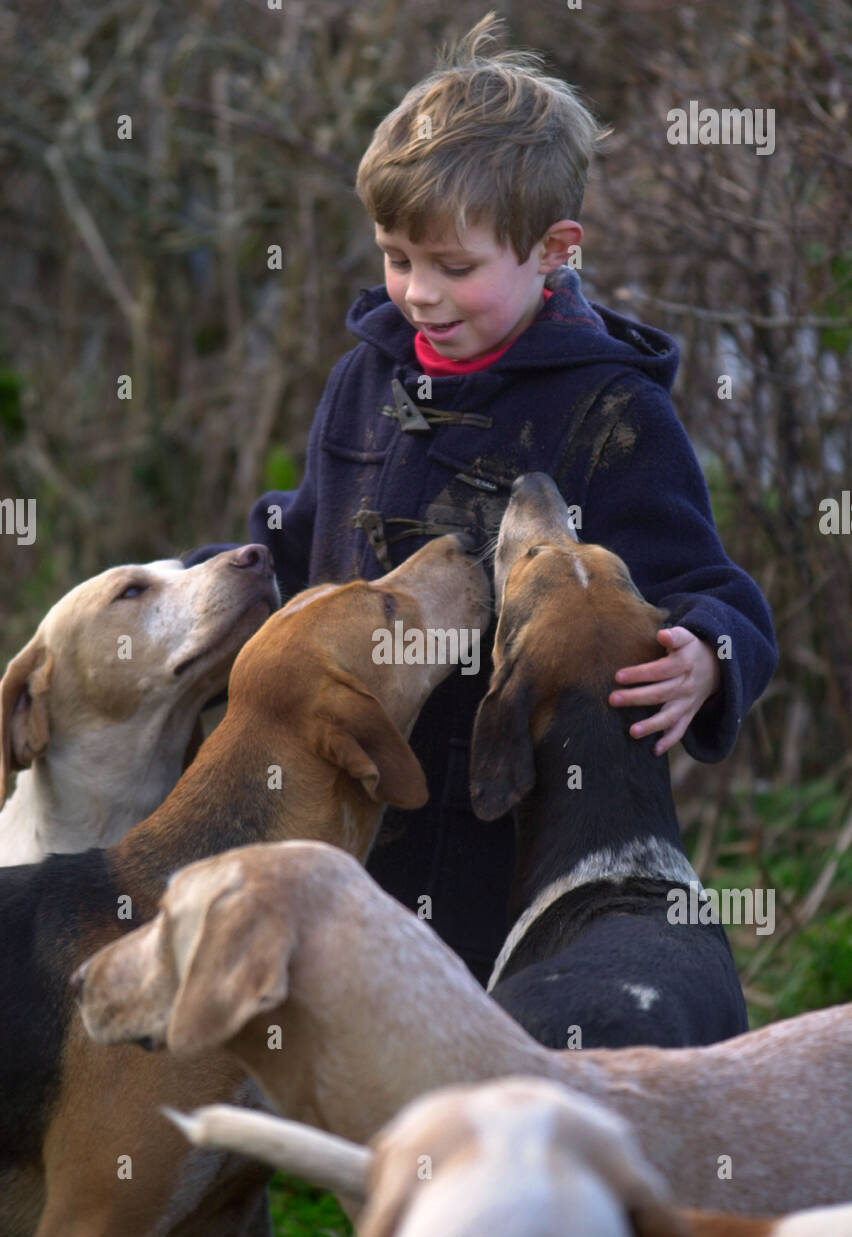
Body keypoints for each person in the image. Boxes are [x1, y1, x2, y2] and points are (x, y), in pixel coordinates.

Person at [185, 15, 777, 984]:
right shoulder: (363, 379)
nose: (418, 292)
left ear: (555, 250)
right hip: (341, 801)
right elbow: (302, 542)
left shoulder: (611, 413)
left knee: (465, 1060)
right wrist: (200, 586)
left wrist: (710, 656)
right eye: (396, 257)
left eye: (454, 267)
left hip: (501, 835)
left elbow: (703, 583)